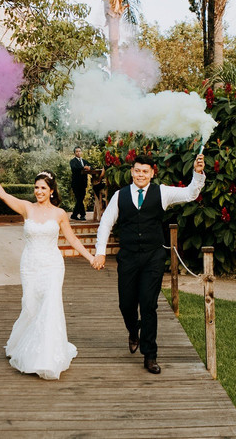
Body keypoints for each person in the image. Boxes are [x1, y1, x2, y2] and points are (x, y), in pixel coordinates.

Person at [0, 152, 98, 380]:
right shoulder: (26, 208)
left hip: (52, 266)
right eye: (36, 187)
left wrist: (91, 258)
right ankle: (24, 345)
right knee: (31, 306)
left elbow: (72, 240)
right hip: (30, 264)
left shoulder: (59, 213)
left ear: (52, 190)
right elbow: (3, 195)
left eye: (43, 188)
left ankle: (45, 357)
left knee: (50, 306)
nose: (39, 192)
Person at [92, 152, 206, 374]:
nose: (140, 174)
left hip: (153, 257)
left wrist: (198, 172)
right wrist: (100, 252)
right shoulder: (120, 196)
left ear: (152, 173)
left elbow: (191, 194)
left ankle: (150, 355)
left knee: (148, 305)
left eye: (145, 171)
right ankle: (133, 330)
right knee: (126, 304)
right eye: (137, 170)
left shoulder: (162, 192)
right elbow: (105, 224)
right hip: (128, 258)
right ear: (132, 172)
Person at [69, 146, 91, 220]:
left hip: (83, 184)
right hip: (76, 184)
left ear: (81, 152)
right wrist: (83, 168)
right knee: (79, 199)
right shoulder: (72, 161)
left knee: (80, 199)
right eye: (77, 151)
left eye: (79, 151)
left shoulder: (84, 161)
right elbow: (75, 169)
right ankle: (82, 215)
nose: (78, 152)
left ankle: (74, 215)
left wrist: (89, 168)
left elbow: (90, 166)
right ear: (74, 153)